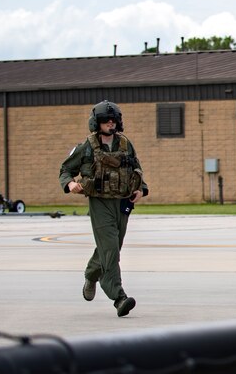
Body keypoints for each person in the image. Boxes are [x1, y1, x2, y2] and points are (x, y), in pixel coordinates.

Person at [59, 100, 148, 317]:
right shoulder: (86, 147)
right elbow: (65, 169)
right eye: (105, 120)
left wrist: (141, 189)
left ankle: (91, 275)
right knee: (109, 249)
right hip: (100, 203)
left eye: (113, 119)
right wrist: (70, 184)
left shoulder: (126, 144)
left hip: (123, 202)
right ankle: (119, 297)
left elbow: (136, 167)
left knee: (113, 247)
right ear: (96, 123)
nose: (110, 123)